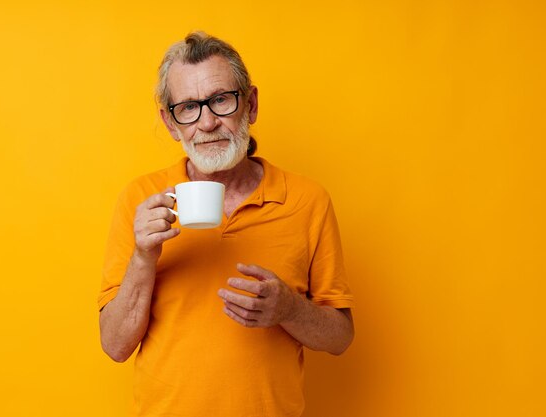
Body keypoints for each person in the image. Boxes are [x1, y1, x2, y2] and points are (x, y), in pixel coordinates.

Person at [98, 31, 355, 417]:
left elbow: (340, 338)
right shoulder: (142, 199)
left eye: (220, 100)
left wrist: (289, 310)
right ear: (170, 123)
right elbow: (115, 345)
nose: (207, 123)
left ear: (249, 105)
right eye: (188, 107)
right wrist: (142, 256)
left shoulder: (307, 201)